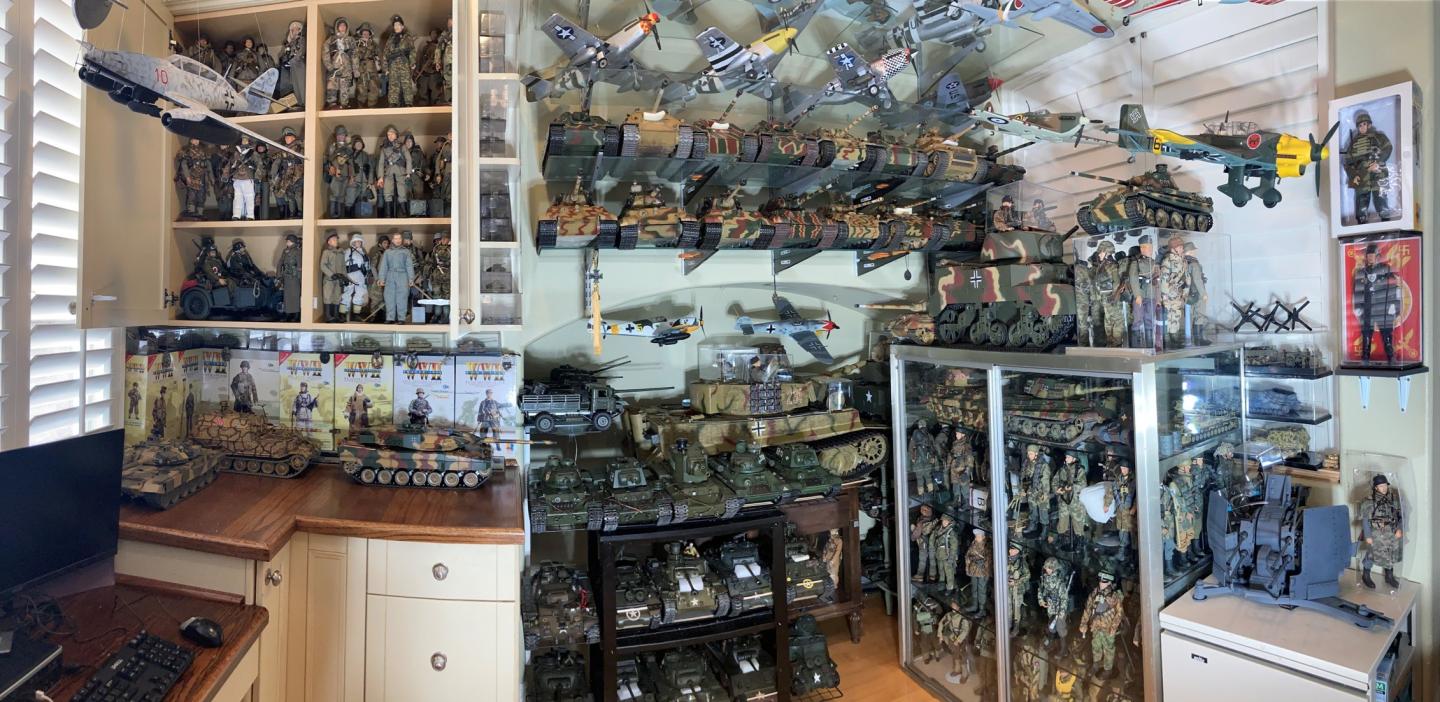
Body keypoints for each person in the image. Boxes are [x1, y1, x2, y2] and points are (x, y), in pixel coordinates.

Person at [1342, 110, 1395, 224]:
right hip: (1362, 174)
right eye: (1360, 125)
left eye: (1364, 124)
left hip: (1378, 172)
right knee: (1361, 199)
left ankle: (1385, 219)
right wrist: (1354, 175)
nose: (1362, 127)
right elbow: (1347, 162)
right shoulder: (1354, 143)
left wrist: (1378, 162)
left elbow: (1388, 148)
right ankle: (1362, 220)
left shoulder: (1378, 136)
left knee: (1380, 196)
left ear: (1369, 124)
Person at [1351, 243, 1400, 362]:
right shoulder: (1361, 272)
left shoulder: (1386, 269)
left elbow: (1394, 287)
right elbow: (1357, 291)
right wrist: (1358, 306)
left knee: (1386, 333)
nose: (1370, 258)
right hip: (1367, 307)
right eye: (1368, 255)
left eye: (1372, 255)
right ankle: (1365, 358)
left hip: (1383, 306)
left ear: (1377, 256)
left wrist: (1393, 305)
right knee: (1366, 333)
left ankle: (1391, 357)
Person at [1359, 474, 1404, 589]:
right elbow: (1365, 520)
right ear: (1376, 487)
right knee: (1372, 554)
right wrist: (1368, 536)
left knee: (1390, 553)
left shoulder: (1393, 499)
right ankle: (1366, 575)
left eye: (1385, 485)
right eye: (1381, 486)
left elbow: (1400, 516)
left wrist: (1399, 528)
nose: (1384, 488)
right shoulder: (1369, 501)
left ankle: (1389, 576)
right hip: (1376, 532)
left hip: (1391, 531)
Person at [378, 231, 415, 323]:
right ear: (392, 240)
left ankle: (401, 318)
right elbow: (384, 266)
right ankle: (390, 318)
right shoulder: (387, 252)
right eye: (396, 238)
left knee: (402, 297)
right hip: (390, 275)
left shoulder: (406, 251)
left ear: (401, 240)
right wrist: (382, 278)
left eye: (399, 238)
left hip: (403, 275)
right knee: (389, 297)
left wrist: (411, 278)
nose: (398, 240)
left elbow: (409, 265)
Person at [377, 125, 412, 218]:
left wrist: (408, 173)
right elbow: (381, 163)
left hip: (401, 172)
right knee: (387, 192)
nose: (390, 136)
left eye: (392, 134)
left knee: (402, 193)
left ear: (396, 135)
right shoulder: (384, 148)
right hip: (388, 172)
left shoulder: (402, 146)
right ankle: (388, 215)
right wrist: (380, 177)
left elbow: (408, 159)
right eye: (388, 134)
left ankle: (404, 214)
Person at [224, 135, 261, 220]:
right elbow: (229, 164)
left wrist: (257, 176)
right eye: (243, 139)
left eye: (246, 140)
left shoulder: (253, 153)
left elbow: (259, 165)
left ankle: (250, 215)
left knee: (249, 197)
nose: (244, 141)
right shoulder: (236, 152)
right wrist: (225, 175)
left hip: (248, 177)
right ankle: (236, 215)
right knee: (237, 197)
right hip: (237, 178)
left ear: (249, 141)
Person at [323, 17, 357, 108]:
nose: (342, 27)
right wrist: (329, 65)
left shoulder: (350, 40)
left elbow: (355, 55)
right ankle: (332, 104)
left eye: (344, 25)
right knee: (332, 85)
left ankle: (344, 104)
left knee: (344, 87)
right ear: (337, 27)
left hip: (346, 67)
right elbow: (325, 51)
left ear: (347, 27)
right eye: (340, 25)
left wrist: (355, 70)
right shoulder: (332, 39)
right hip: (334, 65)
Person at [384, 15, 417, 107]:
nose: (397, 27)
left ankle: (408, 102)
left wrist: (412, 62)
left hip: (404, 63)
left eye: (398, 25)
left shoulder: (407, 37)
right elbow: (385, 53)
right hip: (393, 64)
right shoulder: (390, 39)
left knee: (406, 83)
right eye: (395, 25)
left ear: (402, 26)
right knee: (393, 84)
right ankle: (393, 102)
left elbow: (412, 50)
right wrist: (385, 68)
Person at [174, 138, 211, 220]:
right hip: (192, 176)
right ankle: (191, 211)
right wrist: (187, 176)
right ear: (191, 140)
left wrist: (211, 177)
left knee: (201, 195)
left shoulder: (204, 151)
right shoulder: (186, 150)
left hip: (202, 177)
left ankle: (200, 213)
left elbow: (208, 165)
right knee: (192, 195)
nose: (196, 141)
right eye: (194, 139)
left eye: (198, 139)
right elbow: (184, 164)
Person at [341, 233, 371, 322]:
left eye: (359, 241)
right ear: (353, 242)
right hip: (351, 274)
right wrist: (344, 276)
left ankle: (356, 314)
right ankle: (342, 314)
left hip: (361, 275)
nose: (358, 243)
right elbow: (343, 264)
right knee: (347, 293)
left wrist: (366, 274)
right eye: (356, 241)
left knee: (360, 294)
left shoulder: (363, 252)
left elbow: (366, 265)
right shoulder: (348, 251)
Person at [354, 23, 384, 108]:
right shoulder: (357, 44)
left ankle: (372, 105)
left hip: (372, 69)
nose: (366, 35)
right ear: (361, 34)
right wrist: (355, 70)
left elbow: (380, 56)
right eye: (364, 33)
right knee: (361, 88)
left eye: (367, 33)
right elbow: (354, 57)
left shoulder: (374, 44)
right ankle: (361, 104)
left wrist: (382, 68)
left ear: (370, 34)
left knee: (374, 87)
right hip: (361, 69)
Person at [278, 20, 307, 108]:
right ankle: (295, 103)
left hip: (298, 64)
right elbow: (282, 55)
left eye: (297, 29)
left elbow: (301, 50)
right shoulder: (289, 43)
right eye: (293, 30)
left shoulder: (301, 39)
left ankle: (303, 102)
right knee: (292, 85)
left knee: (300, 84)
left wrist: (294, 60)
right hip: (290, 66)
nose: (295, 31)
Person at [320, 232, 346, 322]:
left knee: (337, 297)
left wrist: (345, 278)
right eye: (334, 239)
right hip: (329, 279)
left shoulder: (341, 253)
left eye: (336, 239)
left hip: (339, 279)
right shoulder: (326, 252)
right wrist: (331, 275)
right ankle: (328, 316)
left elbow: (343, 267)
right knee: (328, 296)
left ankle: (336, 315)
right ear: (329, 242)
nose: (336, 241)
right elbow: (322, 266)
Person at [277, 234, 302, 322]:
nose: (287, 243)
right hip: (287, 276)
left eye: (288, 241)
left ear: (292, 242)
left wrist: (300, 277)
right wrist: (279, 275)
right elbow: (280, 262)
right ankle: (287, 313)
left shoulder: (298, 251)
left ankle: (296, 315)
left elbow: (299, 265)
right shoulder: (285, 251)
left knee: (295, 296)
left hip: (295, 277)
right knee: (287, 296)